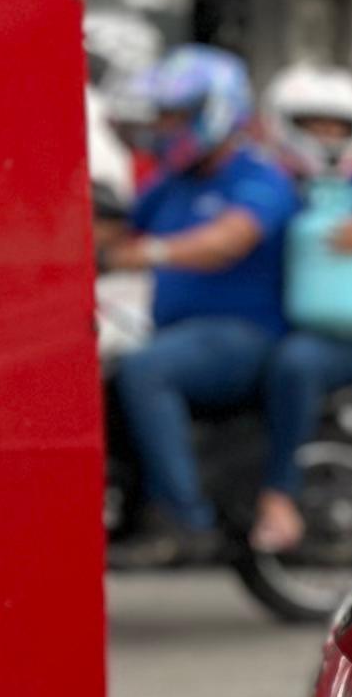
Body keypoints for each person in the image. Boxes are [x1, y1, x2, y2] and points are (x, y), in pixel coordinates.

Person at [101, 47, 296, 568]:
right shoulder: (172, 181)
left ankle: (185, 518)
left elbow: (230, 239)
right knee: (104, 375)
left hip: (245, 336)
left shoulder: (257, 175)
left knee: (146, 370)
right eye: (162, 115)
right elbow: (116, 230)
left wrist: (148, 253)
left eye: (176, 116)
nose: (165, 128)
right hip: (178, 334)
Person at [254, 64, 352, 557]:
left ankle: (279, 495)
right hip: (281, 325)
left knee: (296, 364)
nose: (326, 137)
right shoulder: (269, 185)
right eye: (314, 125)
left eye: (337, 127)